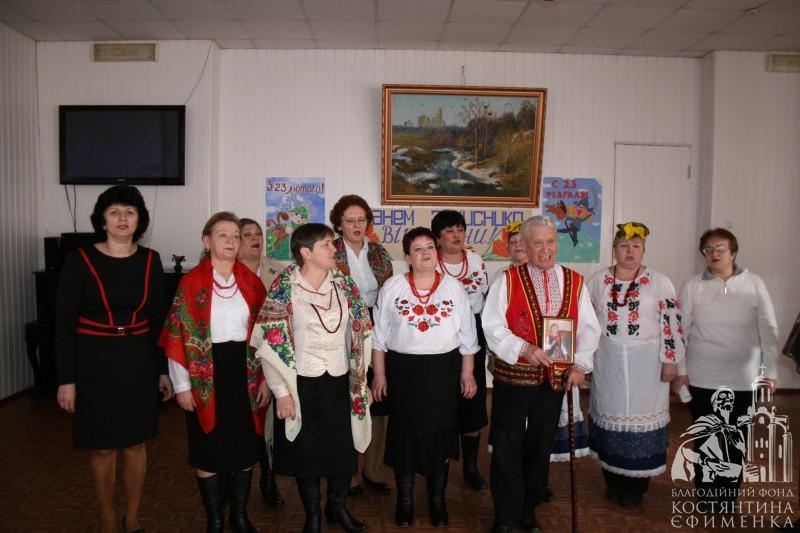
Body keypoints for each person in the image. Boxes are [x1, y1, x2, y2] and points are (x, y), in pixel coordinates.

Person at [55, 185, 173, 533]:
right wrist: (66, 379)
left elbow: (159, 320)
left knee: (136, 443)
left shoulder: (150, 260)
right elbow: (64, 322)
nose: (123, 218)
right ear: (102, 220)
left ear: (139, 220)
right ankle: (108, 518)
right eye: (115, 212)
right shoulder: (79, 260)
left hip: (138, 360)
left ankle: (132, 517)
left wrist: (163, 370)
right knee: (103, 447)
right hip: (93, 361)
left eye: (130, 212)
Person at [250, 223, 372, 533]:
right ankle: (313, 516)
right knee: (307, 455)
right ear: (306, 252)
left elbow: (361, 333)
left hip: (340, 382)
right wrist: (281, 392)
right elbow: (271, 343)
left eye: (333, 243)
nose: (334, 249)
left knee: (342, 451)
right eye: (327, 244)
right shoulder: (284, 287)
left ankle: (337, 508)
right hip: (301, 384)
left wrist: (361, 380)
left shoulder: (344, 284)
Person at [482, 215, 600, 533]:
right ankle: (505, 514)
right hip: (513, 378)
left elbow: (589, 328)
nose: (545, 249)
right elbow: (492, 325)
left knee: (540, 445)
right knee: (507, 445)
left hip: (553, 381)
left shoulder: (575, 281)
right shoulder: (507, 280)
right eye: (538, 243)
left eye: (550, 242)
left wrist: (580, 365)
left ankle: (528, 509)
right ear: (524, 244)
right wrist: (524, 348)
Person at [160, 212, 269, 533]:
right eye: (223, 235)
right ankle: (215, 519)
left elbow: (267, 336)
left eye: (236, 235)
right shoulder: (190, 283)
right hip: (203, 375)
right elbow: (178, 336)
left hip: (245, 374)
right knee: (208, 447)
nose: (231, 241)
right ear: (207, 241)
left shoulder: (252, 283)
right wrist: (182, 386)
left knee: (245, 444)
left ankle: (239, 515)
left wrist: (266, 379)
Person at [371, 227, 478, 527]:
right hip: (403, 372)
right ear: (407, 257)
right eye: (417, 249)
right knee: (405, 433)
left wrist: (467, 373)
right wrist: (379, 374)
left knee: (440, 434)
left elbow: (468, 336)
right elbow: (379, 337)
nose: (425, 253)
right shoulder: (392, 287)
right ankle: (405, 500)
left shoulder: (454, 288)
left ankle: (437, 499)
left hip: (443, 372)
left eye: (430, 247)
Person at [672, 228, 779, 503]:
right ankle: (706, 495)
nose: (714, 253)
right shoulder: (692, 285)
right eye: (708, 249)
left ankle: (728, 496)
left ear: (733, 252)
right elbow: (680, 331)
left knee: (736, 440)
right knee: (706, 439)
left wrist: (771, 372)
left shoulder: (754, 283)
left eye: (720, 248)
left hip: (744, 379)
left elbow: (769, 329)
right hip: (702, 377)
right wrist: (681, 371)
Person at [586, 222, 685, 508]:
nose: (630, 251)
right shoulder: (597, 281)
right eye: (624, 246)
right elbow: (587, 324)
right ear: (614, 249)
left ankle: (636, 487)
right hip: (608, 363)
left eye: (636, 246)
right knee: (610, 417)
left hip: (647, 364)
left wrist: (671, 361)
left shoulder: (660, 282)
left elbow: (672, 324)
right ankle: (613, 481)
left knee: (642, 421)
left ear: (643, 250)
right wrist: (585, 360)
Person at [329, 195, 393, 497]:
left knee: (378, 403)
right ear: (339, 224)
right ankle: (350, 473)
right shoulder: (329, 251)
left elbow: (390, 294)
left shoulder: (378, 252)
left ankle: (373, 469)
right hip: (340, 328)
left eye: (361, 220)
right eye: (350, 220)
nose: (357, 225)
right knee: (349, 402)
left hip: (376, 325)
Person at [431, 210, 489, 492]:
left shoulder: (476, 261)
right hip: (441, 334)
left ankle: (471, 467)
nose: (456, 236)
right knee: (442, 400)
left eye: (460, 230)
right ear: (437, 238)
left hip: (474, 331)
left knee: (472, 401)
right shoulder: (431, 262)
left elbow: (484, 299)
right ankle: (439, 466)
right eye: (449, 231)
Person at [237, 217, 285, 508]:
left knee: (269, 425)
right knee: (239, 424)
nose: (255, 238)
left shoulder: (278, 273)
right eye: (247, 234)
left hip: (269, 358)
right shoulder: (226, 273)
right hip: (235, 359)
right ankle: (233, 481)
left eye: (258, 234)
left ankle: (269, 479)